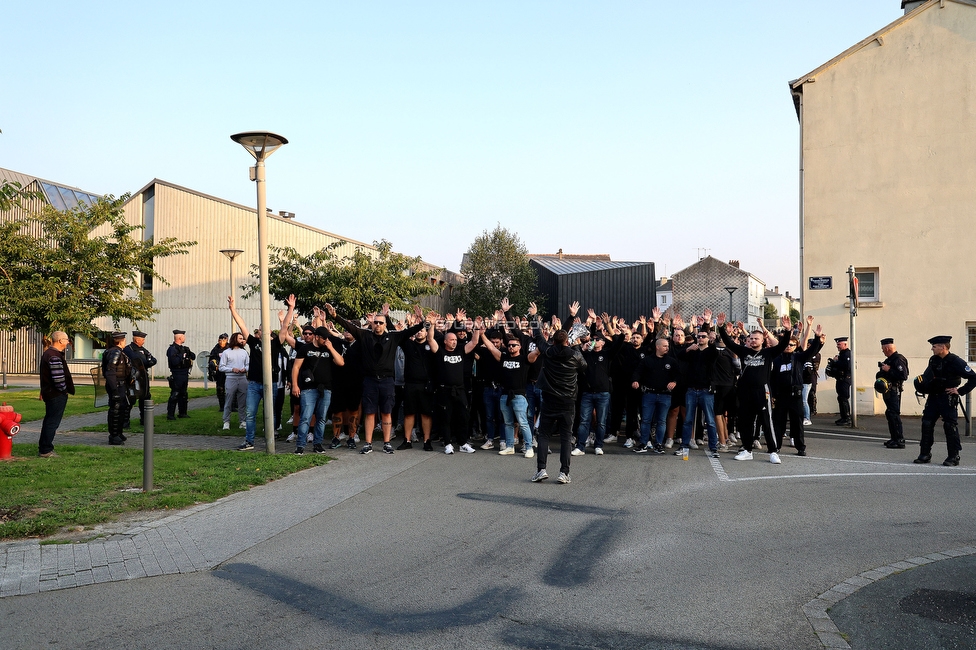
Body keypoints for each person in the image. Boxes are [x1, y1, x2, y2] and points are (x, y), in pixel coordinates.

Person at [326, 302, 424, 455]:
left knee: (386, 412)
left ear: (385, 324)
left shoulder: (393, 337)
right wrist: (334, 315)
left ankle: (386, 443)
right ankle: (368, 443)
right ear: (372, 324)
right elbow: (349, 326)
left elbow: (411, 330)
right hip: (370, 380)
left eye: (380, 323)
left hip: (387, 381)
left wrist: (422, 320)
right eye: (375, 322)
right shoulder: (364, 335)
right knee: (370, 412)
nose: (377, 325)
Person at [717, 313, 792, 463]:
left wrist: (788, 331)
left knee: (766, 420)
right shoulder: (744, 351)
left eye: (756, 338)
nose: (752, 340)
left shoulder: (768, 353)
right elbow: (729, 342)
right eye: (750, 338)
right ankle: (747, 449)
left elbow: (783, 345)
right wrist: (720, 327)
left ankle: (773, 451)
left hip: (762, 391)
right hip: (745, 392)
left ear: (763, 340)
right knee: (745, 421)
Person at [531, 315, 587, 484]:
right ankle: (564, 473)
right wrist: (576, 344)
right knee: (565, 437)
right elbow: (584, 366)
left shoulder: (548, 351)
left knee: (544, 435)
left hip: (549, 399)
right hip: (568, 400)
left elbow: (538, 336)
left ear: (553, 341)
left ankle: (541, 470)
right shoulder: (575, 355)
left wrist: (534, 316)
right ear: (566, 341)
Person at [229, 296, 289, 451]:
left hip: (272, 383)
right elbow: (241, 325)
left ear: (269, 331)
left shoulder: (276, 343)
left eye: (263, 329)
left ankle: (271, 438)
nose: (260, 332)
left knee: (272, 413)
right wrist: (232, 309)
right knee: (250, 413)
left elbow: (285, 328)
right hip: (255, 383)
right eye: (259, 330)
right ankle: (249, 441)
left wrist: (290, 309)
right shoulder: (253, 342)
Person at [913, 335, 976, 466]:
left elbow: (973, 378)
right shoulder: (933, 360)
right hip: (933, 397)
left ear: (943, 347)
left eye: (934, 346)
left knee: (949, 426)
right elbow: (927, 377)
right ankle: (925, 454)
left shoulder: (955, 361)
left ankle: (953, 457)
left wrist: (959, 391)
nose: (932, 349)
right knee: (926, 423)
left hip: (946, 398)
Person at [479, 329, 541, 458]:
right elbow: (491, 347)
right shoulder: (503, 357)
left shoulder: (525, 358)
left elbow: (537, 351)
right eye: (509, 345)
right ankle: (509, 446)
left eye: (514, 345)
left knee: (523, 422)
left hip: (519, 395)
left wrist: (540, 337)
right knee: (507, 422)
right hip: (505, 395)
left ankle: (529, 447)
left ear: (520, 347)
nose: (511, 347)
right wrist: (481, 334)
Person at [770, 318, 824, 457]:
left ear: (796, 346)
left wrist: (817, 338)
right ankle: (776, 446)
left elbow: (811, 350)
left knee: (797, 423)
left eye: (792, 344)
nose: (789, 346)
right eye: (787, 344)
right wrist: (773, 394)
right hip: (781, 396)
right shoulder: (776, 359)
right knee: (779, 423)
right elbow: (772, 377)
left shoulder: (799, 357)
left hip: (796, 395)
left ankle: (800, 447)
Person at [427, 313, 480, 455]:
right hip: (444, 390)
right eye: (451, 340)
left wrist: (477, 328)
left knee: (463, 416)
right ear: (445, 341)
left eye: (455, 340)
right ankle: (448, 443)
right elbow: (430, 339)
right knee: (446, 417)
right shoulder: (440, 351)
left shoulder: (461, 350)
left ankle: (463, 443)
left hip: (460, 390)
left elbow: (474, 342)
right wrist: (432, 324)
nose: (454, 342)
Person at [292, 326, 345, 454]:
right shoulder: (306, 349)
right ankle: (300, 445)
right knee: (306, 416)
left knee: (321, 418)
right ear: (317, 337)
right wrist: (295, 385)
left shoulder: (329, 349)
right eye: (324, 338)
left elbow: (341, 362)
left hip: (326, 388)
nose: (326, 340)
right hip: (309, 388)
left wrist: (331, 347)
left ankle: (318, 444)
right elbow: (296, 367)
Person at [631, 337, 680, 454]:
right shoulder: (647, 360)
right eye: (664, 346)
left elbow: (678, 375)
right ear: (657, 347)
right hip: (649, 394)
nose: (667, 348)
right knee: (646, 420)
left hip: (665, 395)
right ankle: (643, 443)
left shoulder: (672, 361)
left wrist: (674, 382)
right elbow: (637, 372)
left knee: (661, 421)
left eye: (668, 346)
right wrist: (635, 380)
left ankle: (658, 444)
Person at [38, 331, 74, 457]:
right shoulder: (54, 356)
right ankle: (46, 449)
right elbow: (58, 379)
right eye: (67, 339)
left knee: (49, 420)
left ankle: (44, 447)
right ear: (60, 341)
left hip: (50, 393)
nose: (68, 342)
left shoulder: (49, 354)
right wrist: (64, 390)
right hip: (56, 394)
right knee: (52, 422)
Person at [877, 338, 910, 449]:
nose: (882, 351)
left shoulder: (898, 359)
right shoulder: (889, 360)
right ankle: (894, 438)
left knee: (894, 414)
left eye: (883, 349)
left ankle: (899, 440)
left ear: (887, 348)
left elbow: (903, 375)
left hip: (894, 390)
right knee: (890, 413)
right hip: (888, 391)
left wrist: (888, 370)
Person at [102, 331, 132, 445]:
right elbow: (110, 372)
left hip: (121, 384)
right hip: (117, 385)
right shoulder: (115, 352)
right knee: (115, 410)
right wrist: (114, 390)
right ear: (121, 340)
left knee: (122, 409)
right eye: (124, 340)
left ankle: (118, 433)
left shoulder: (118, 352)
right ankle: (114, 436)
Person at [124, 330, 157, 428]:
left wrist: (148, 361)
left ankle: (145, 420)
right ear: (137, 340)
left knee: (145, 397)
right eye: (142, 339)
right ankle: (125, 422)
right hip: (133, 377)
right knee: (131, 399)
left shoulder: (143, 349)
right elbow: (139, 360)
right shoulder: (129, 349)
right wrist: (147, 361)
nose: (144, 341)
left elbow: (153, 359)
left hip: (143, 376)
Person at [218, 332, 249, 430]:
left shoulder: (244, 352)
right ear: (235, 339)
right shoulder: (226, 352)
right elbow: (221, 367)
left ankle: (242, 421)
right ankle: (226, 421)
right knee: (229, 400)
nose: (242, 340)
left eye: (242, 338)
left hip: (242, 378)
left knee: (242, 401)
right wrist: (232, 369)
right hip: (231, 378)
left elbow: (248, 364)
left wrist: (245, 369)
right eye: (240, 338)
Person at [166, 329, 195, 420]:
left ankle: (182, 413)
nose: (184, 338)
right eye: (183, 336)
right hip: (177, 373)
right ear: (179, 337)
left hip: (184, 373)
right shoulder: (172, 349)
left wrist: (188, 352)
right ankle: (170, 414)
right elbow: (174, 361)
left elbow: (193, 356)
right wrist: (182, 355)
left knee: (183, 394)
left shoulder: (184, 348)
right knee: (175, 394)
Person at [832, 337, 852, 426]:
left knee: (844, 398)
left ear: (845, 344)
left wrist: (836, 362)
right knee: (840, 398)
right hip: (840, 379)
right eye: (837, 344)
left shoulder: (847, 354)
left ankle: (847, 418)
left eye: (839, 344)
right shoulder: (842, 354)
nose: (837, 346)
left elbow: (846, 366)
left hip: (845, 379)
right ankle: (843, 417)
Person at [209, 333, 229, 412]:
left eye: (223, 340)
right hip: (219, 372)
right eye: (220, 340)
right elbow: (211, 360)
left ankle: (233, 405)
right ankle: (222, 406)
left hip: (228, 371)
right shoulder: (215, 349)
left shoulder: (230, 348)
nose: (221, 342)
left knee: (230, 389)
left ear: (226, 340)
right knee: (220, 389)